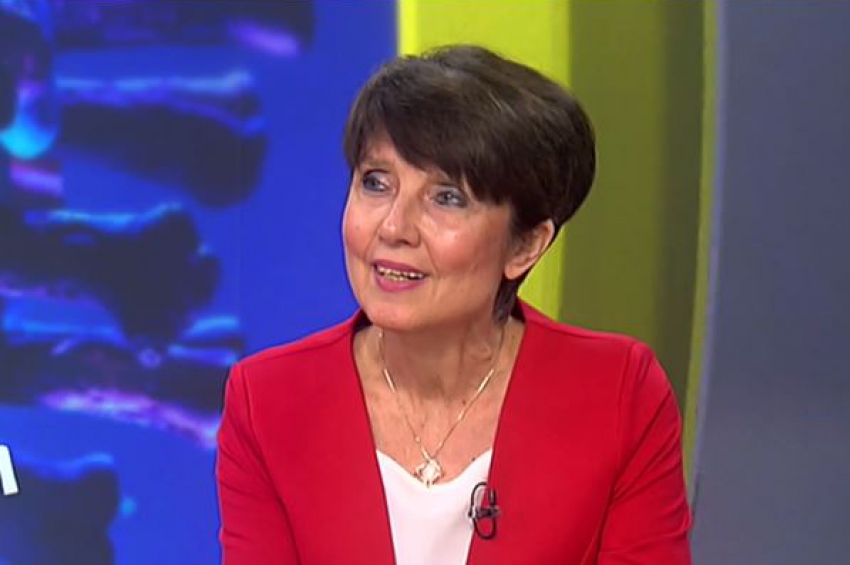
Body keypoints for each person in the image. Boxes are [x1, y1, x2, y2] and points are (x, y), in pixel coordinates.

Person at [216, 44, 692, 565]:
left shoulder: (618, 393)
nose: (393, 228)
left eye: (447, 197)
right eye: (376, 183)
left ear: (525, 246)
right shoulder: (268, 403)